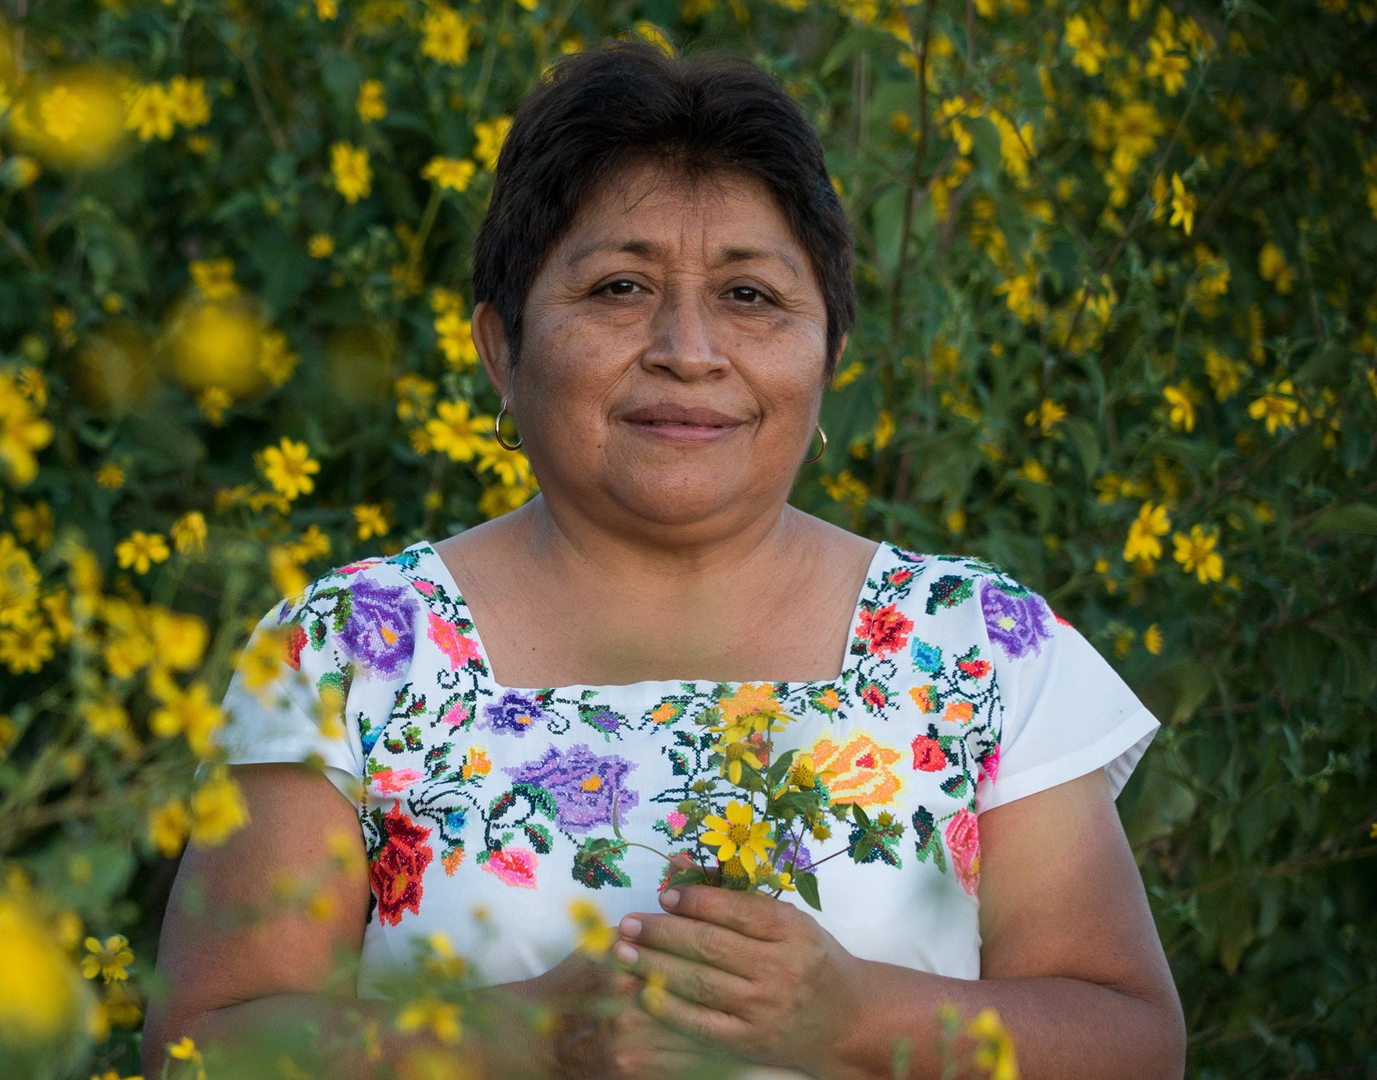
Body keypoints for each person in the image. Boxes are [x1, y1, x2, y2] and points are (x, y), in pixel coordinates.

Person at [145, 42, 1185, 1079]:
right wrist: (530, 1035)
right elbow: (203, 1050)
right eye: (619, 287)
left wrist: (856, 1015)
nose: (688, 349)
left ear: (830, 353)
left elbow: (1133, 1044)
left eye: (751, 297)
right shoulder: (347, 654)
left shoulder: (979, 646)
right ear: (500, 346)